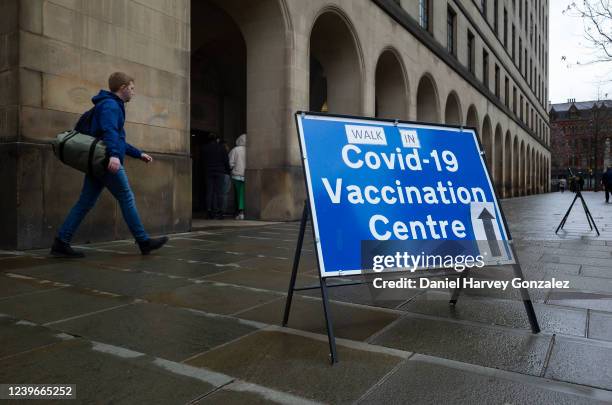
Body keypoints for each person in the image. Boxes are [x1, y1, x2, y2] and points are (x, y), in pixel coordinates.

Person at [50, 72, 168, 258]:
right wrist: (113, 156)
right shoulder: (112, 105)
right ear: (122, 88)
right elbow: (110, 132)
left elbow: (117, 138)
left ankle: (61, 242)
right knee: (126, 197)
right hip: (106, 161)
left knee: (85, 202)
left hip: (98, 162)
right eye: (131, 88)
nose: (133, 92)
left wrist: (138, 154)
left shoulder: (107, 104)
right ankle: (143, 241)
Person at [203, 134, 231, 219]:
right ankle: (220, 212)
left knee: (209, 192)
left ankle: (209, 211)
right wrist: (228, 171)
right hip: (220, 171)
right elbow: (226, 161)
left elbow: (202, 161)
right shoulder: (222, 148)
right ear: (217, 140)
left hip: (209, 171)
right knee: (219, 192)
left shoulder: (205, 148)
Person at [229, 134, 246, 220]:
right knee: (243, 194)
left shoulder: (235, 150)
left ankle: (240, 212)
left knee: (238, 194)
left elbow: (230, 163)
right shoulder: (249, 150)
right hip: (246, 175)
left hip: (236, 175)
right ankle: (242, 212)